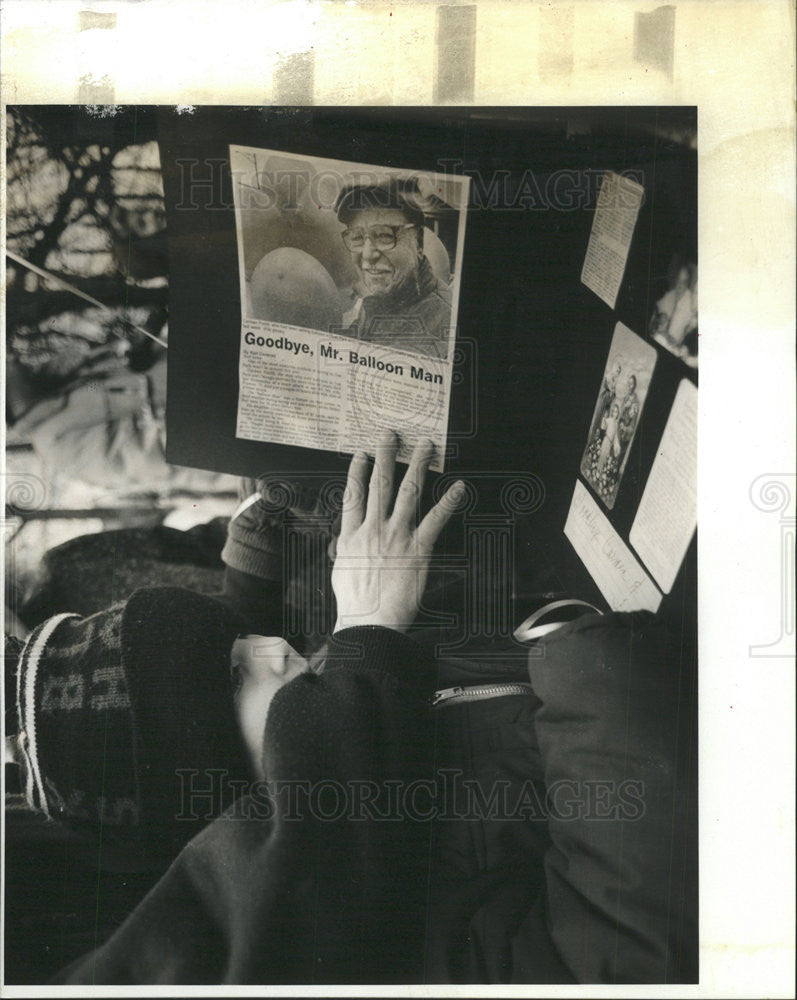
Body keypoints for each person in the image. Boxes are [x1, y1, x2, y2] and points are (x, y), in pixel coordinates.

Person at [6, 433, 696, 985]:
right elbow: (617, 954)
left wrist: (398, 588)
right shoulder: (396, 908)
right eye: (231, 675)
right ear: (233, 799)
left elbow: (449, 682)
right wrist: (590, 668)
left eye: (237, 638)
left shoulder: (339, 716)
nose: (273, 645)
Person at [335, 179, 452, 358]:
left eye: (384, 235)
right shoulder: (383, 299)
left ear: (418, 244)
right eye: (357, 237)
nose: (367, 254)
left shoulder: (447, 324)